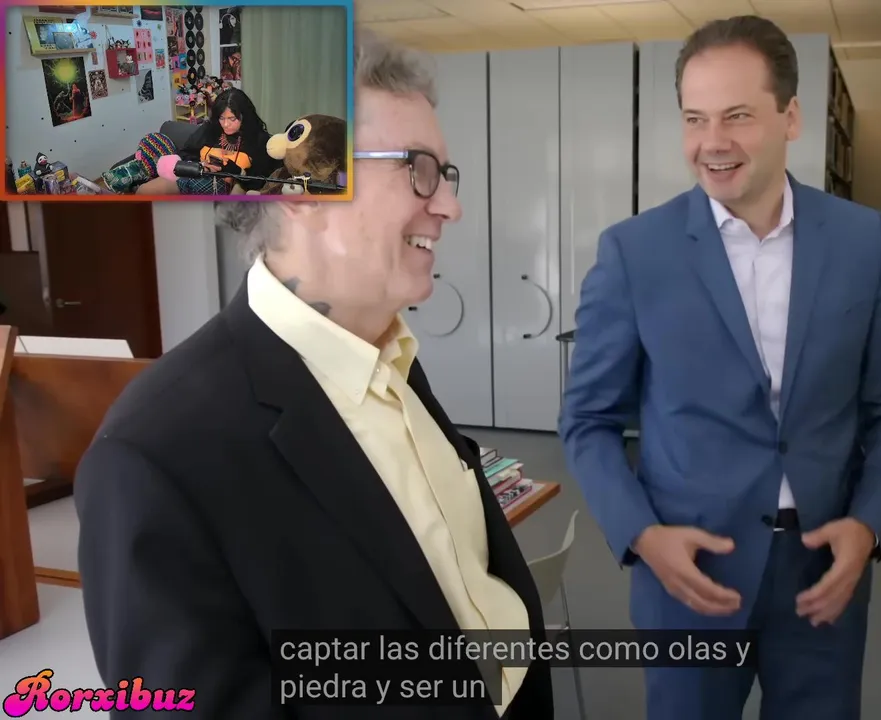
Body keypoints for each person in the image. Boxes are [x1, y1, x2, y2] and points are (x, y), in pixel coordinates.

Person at [75, 30, 553, 719]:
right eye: (417, 169)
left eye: (445, 174)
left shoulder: (391, 355)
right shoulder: (152, 457)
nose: (450, 206)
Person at [559, 15, 881, 720]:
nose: (712, 143)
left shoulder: (865, 242)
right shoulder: (635, 252)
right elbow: (587, 421)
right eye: (694, 119)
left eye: (737, 116)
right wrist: (642, 536)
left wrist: (869, 525)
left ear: (791, 117)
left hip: (822, 575)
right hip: (688, 575)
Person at [136, 87, 278, 196]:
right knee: (144, 190)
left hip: (230, 188)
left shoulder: (259, 139)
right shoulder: (210, 129)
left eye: (232, 119)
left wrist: (237, 172)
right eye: (222, 118)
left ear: (244, 116)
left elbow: (263, 181)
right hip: (194, 178)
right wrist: (202, 164)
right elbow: (185, 154)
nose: (226, 124)